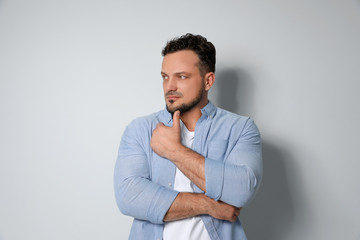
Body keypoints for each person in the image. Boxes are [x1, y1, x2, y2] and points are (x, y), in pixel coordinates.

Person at [114, 33, 262, 240]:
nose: (170, 86)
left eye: (181, 76)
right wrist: (208, 205)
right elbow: (129, 196)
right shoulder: (141, 129)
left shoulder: (240, 128)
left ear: (208, 81)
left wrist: (174, 151)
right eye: (165, 76)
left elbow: (241, 191)